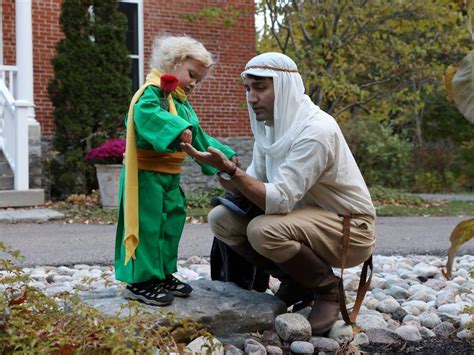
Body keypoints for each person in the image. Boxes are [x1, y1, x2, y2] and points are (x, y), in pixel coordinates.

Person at [181, 52, 376, 335]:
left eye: (260, 88)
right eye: (248, 89)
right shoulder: (270, 128)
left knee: (263, 229)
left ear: (284, 87)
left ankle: (327, 291)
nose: (251, 97)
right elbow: (252, 186)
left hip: (350, 229)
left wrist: (234, 173)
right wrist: (222, 169)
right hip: (304, 218)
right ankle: (298, 281)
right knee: (222, 218)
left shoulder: (316, 130)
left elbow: (278, 199)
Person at [114, 34, 239, 307]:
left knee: (171, 221)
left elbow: (199, 136)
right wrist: (175, 127)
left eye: (199, 79)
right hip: (145, 175)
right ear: (173, 62)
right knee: (147, 224)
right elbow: (144, 115)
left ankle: (161, 273)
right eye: (192, 74)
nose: (194, 83)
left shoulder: (180, 101)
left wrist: (226, 156)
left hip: (170, 176)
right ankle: (140, 281)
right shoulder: (151, 92)